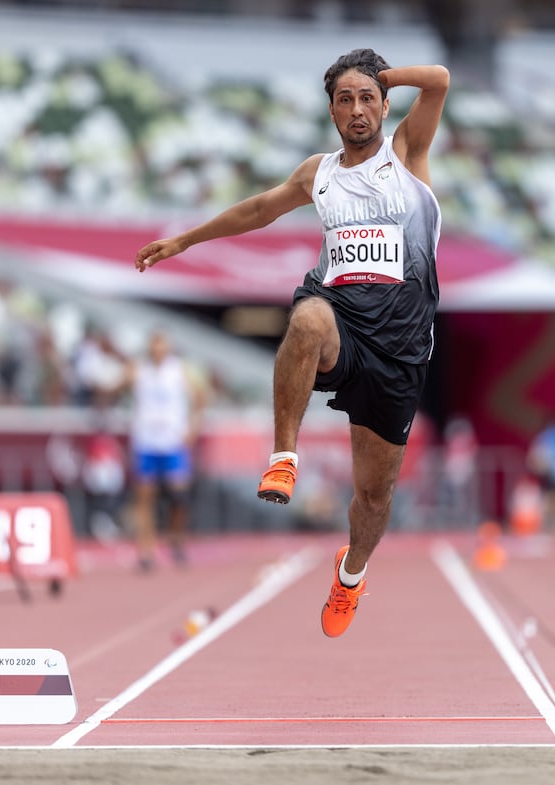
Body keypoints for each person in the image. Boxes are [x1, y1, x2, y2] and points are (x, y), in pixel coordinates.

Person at [135, 49, 449, 636]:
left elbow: (438, 81)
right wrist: (185, 240)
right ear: (331, 111)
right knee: (306, 320)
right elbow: (258, 210)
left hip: (400, 343)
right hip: (341, 316)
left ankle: (351, 574)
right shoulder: (318, 173)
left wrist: (385, 76)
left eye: (366, 98)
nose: (356, 110)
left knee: (373, 498)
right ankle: (284, 457)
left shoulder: (406, 152)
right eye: (344, 100)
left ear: (382, 104)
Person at [121, 329, 207, 571]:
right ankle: (146, 550)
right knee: (144, 497)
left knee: (179, 496)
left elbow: (200, 397)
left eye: (162, 345)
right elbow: (116, 384)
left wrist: (193, 427)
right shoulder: (139, 369)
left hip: (173, 442)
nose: (157, 350)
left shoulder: (179, 370)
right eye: (154, 345)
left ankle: (176, 537)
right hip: (146, 442)